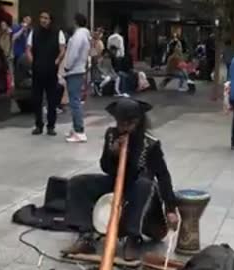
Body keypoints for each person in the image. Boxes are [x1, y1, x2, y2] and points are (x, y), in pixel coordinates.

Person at [61, 98, 179, 262]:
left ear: (137, 121)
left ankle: (133, 238)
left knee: (144, 184)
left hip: (143, 193)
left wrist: (171, 208)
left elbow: (163, 176)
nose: (123, 128)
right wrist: (112, 153)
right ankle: (86, 235)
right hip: (117, 183)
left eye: (128, 124)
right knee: (78, 182)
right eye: (120, 123)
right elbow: (106, 167)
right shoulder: (112, 135)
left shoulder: (150, 143)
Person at [26, 11, 66, 136]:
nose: (43, 20)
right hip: (37, 71)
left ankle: (51, 126)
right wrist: (32, 62)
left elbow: (62, 49)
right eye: (41, 17)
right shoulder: (34, 32)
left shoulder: (58, 33)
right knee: (37, 99)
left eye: (46, 18)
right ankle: (38, 125)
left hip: (51, 71)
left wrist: (57, 60)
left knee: (52, 100)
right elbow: (28, 49)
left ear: (50, 20)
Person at [63, 13, 91, 143]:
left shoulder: (79, 35)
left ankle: (79, 130)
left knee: (74, 101)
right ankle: (76, 128)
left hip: (74, 70)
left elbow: (73, 52)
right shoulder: (84, 35)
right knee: (75, 100)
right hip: (78, 69)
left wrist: (67, 66)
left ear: (75, 21)